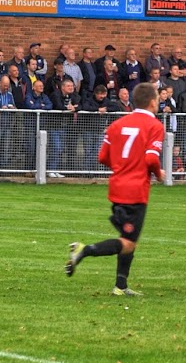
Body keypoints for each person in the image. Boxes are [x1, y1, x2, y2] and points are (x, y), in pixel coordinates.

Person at [65, 82, 165, 296]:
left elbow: (102, 157)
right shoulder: (154, 126)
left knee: (128, 239)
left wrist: (122, 167)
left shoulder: (117, 124)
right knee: (128, 242)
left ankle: (121, 286)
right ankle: (84, 250)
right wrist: (159, 173)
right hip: (136, 190)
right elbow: (150, 158)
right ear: (152, 102)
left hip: (117, 186)